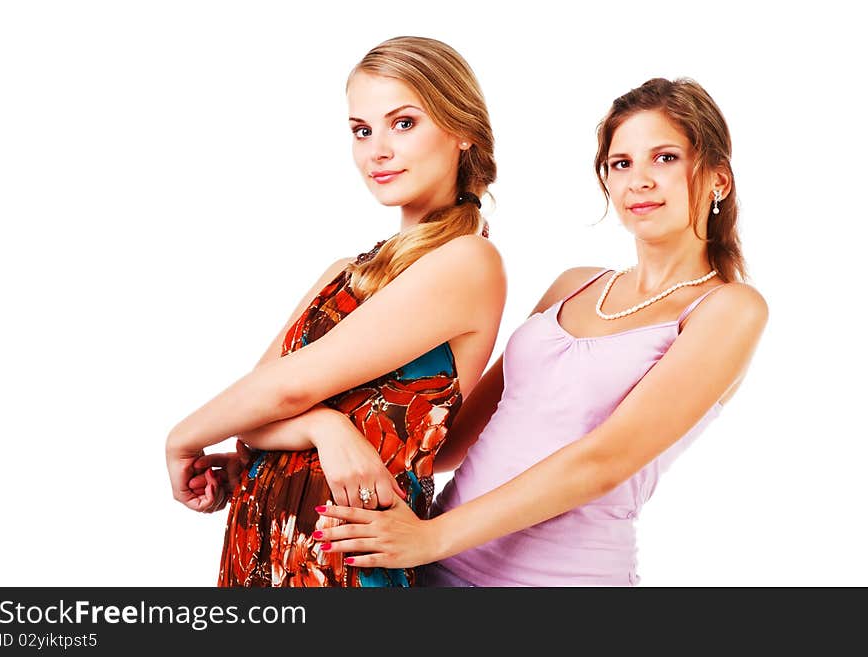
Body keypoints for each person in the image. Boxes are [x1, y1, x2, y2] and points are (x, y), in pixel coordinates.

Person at [252, 77, 768, 586]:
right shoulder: (575, 285)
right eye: (621, 163)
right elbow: (450, 437)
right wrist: (302, 439)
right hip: (433, 567)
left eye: (666, 158)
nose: (640, 180)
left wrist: (430, 538)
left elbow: (604, 461)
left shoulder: (729, 309)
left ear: (718, 179)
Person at [164, 35, 506, 587]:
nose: (377, 151)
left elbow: (282, 393)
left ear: (462, 129)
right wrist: (326, 429)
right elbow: (251, 409)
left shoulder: (466, 261)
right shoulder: (344, 272)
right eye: (361, 131)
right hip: (262, 548)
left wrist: (181, 437)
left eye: (403, 123)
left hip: (348, 562)